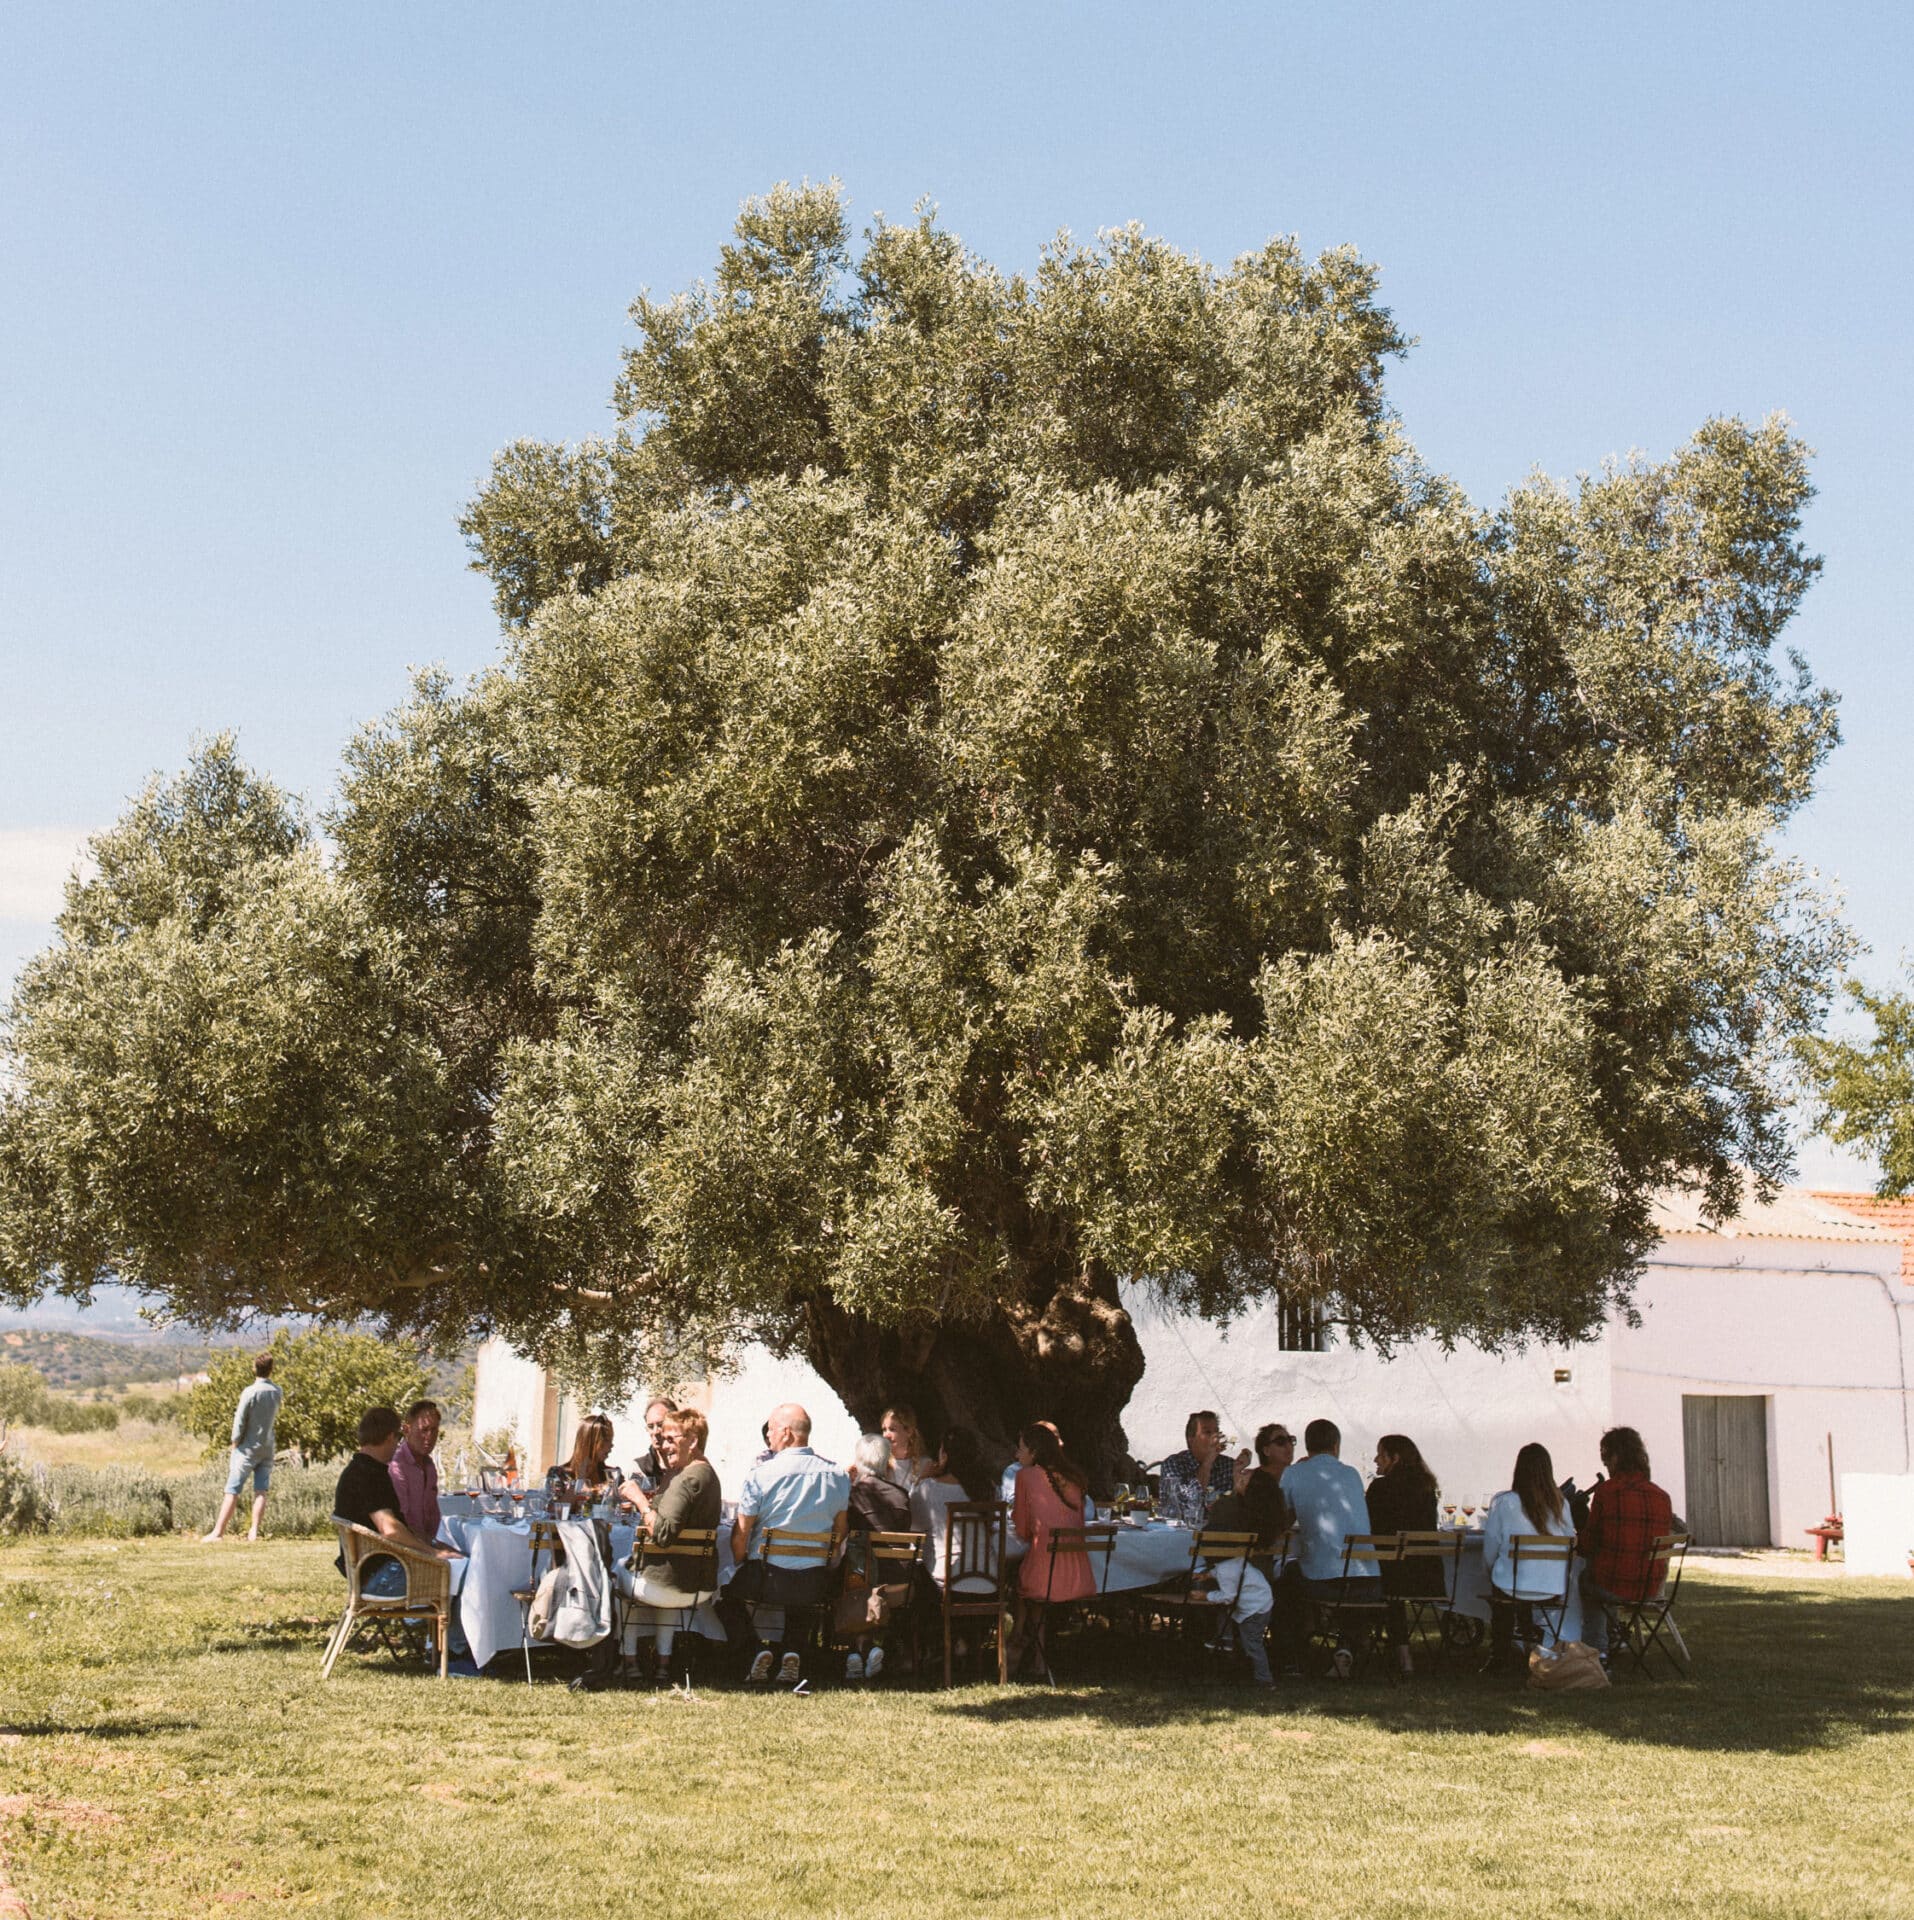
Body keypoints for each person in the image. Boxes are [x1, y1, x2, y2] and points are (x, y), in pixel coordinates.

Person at [729, 1402, 851, 1686]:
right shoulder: (838, 1475)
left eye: (771, 1429)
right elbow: (841, 1530)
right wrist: (825, 1559)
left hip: (767, 1578)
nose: (768, 1435)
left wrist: (740, 1562)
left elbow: (741, 1533)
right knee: (802, 1589)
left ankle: (757, 1649)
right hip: (814, 1580)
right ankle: (792, 1650)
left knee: (726, 1597)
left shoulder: (761, 1474)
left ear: (785, 1432)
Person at [622, 1407, 722, 1679]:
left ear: (693, 1440)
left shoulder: (686, 1480)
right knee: (666, 1570)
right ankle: (663, 1664)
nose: (664, 1446)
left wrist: (639, 1500)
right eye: (663, 1440)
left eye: (670, 1439)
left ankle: (628, 1662)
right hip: (695, 1583)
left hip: (668, 1584)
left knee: (614, 1571)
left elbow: (663, 1535)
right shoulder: (707, 1473)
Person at [333, 1405, 461, 1598]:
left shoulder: (360, 1469)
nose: (398, 1444)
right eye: (398, 1438)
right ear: (390, 1437)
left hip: (369, 1570)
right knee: (464, 1572)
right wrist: (433, 1553)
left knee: (459, 1563)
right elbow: (391, 1530)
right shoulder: (369, 1475)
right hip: (380, 1578)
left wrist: (434, 1545)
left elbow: (400, 1528)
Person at [1280, 1417, 1375, 1675]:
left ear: (1307, 1446)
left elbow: (1280, 1518)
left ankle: (1292, 1655)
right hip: (1368, 1582)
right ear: (1336, 1446)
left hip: (1324, 1583)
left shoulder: (1293, 1473)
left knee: (1286, 1576)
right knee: (1338, 1573)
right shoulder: (1352, 1474)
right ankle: (1346, 1645)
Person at [1576, 1426, 1676, 1666]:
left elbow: (1588, 1545)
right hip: (1650, 1588)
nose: (1605, 1465)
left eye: (1606, 1458)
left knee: (1587, 1580)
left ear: (1616, 1457)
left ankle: (1598, 1650)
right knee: (1605, 1575)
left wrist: (1580, 1529)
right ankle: (1614, 1635)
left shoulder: (1606, 1492)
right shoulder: (1662, 1496)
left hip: (1614, 1584)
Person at [1481, 1442, 1576, 1670]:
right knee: (1515, 1578)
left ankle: (1500, 1654)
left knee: (1503, 1580)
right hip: (1551, 1586)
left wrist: (1489, 1569)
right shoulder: (1561, 1504)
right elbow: (1570, 1542)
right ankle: (1530, 1638)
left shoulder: (1504, 1502)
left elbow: (1490, 1547)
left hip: (1511, 1586)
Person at [1008, 1423, 1094, 1675]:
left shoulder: (1025, 1476)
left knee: (1022, 1583)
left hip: (1045, 1577)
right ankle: (1034, 1654)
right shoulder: (1074, 1477)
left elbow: (1023, 1530)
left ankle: (1021, 1642)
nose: (1016, 1454)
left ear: (1034, 1451)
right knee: (1032, 1580)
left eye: (1020, 1448)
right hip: (1079, 1577)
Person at [1366, 1432, 1443, 1676]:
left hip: (1392, 1577)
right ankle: (1402, 1655)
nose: (1376, 1460)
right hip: (1429, 1577)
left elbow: (1369, 1528)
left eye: (1380, 1454)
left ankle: (1399, 1654)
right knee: (1393, 1574)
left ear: (1395, 1458)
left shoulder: (1380, 1488)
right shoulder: (1427, 1488)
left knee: (1378, 1578)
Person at [843, 1433, 912, 1680]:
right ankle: (867, 1648)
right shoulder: (901, 1496)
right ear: (886, 1461)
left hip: (859, 1583)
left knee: (851, 1574)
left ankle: (859, 1648)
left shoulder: (852, 1496)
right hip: (899, 1583)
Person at [202, 1351, 283, 1542]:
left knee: (232, 1490)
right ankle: (254, 1531)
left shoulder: (250, 1392)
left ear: (255, 1368)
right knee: (261, 1490)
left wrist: (235, 1441)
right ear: (271, 1369)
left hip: (247, 1447)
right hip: (267, 1445)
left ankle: (218, 1532)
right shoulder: (277, 1391)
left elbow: (240, 1420)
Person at [910, 1427, 998, 1589]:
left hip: (948, 1579)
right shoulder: (987, 1487)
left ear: (944, 1455)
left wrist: (920, 1479)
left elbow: (914, 1526)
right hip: (989, 1577)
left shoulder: (928, 1488)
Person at [1157, 1410, 1235, 1524]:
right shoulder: (1174, 1463)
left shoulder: (1228, 1465)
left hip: (1220, 1531)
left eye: (1216, 1431)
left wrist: (1239, 1474)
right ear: (1191, 1439)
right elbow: (1184, 1504)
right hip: (1181, 1532)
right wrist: (1208, 1462)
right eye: (1207, 1432)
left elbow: (1235, 1507)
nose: (1215, 1437)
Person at [388, 1399, 444, 1543]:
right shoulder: (397, 1465)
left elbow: (433, 1516)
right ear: (407, 1430)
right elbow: (401, 1522)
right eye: (424, 1430)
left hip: (426, 1543)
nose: (429, 1436)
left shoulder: (429, 1466)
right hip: (405, 1546)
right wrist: (433, 1549)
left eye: (434, 1430)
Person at [547, 1413, 620, 1508]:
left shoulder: (611, 1475)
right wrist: (579, 1480)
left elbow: (622, 1509)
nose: (611, 1445)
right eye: (606, 1440)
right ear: (590, 1443)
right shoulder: (560, 1474)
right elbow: (553, 1510)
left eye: (611, 1440)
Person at [880, 1404, 937, 1491]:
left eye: (892, 1429)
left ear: (909, 1431)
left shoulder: (926, 1465)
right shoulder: (881, 1466)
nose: (886, 1435)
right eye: (884, 1430)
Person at [630, 1397, 679, 1489]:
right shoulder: (641, 1468)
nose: (655, 1432)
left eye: (660, 1425)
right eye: (651, 1426)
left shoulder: (689, 1464)